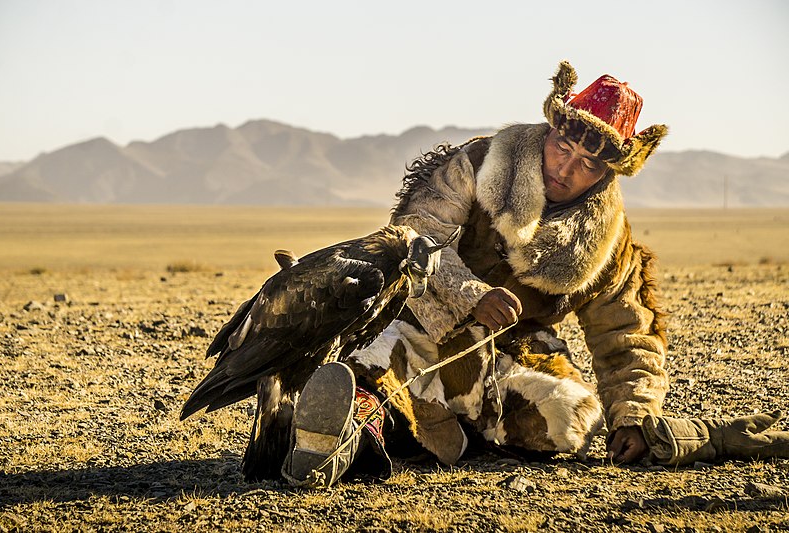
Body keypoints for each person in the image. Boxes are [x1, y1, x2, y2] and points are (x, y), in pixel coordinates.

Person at [280, 61, 789, 488]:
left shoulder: (609, 241)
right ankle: (344, 435)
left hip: (508, 353)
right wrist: (471, 293)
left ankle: (448, 427)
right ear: (550, 130)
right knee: (392, 348)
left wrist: (631, 417)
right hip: (423, 318)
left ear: (608, 173)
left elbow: (626, 335)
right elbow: (415, 233)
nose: (566, 169)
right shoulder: (480, 162)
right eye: (562, 147)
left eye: (588, 163)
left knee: (567, 423)